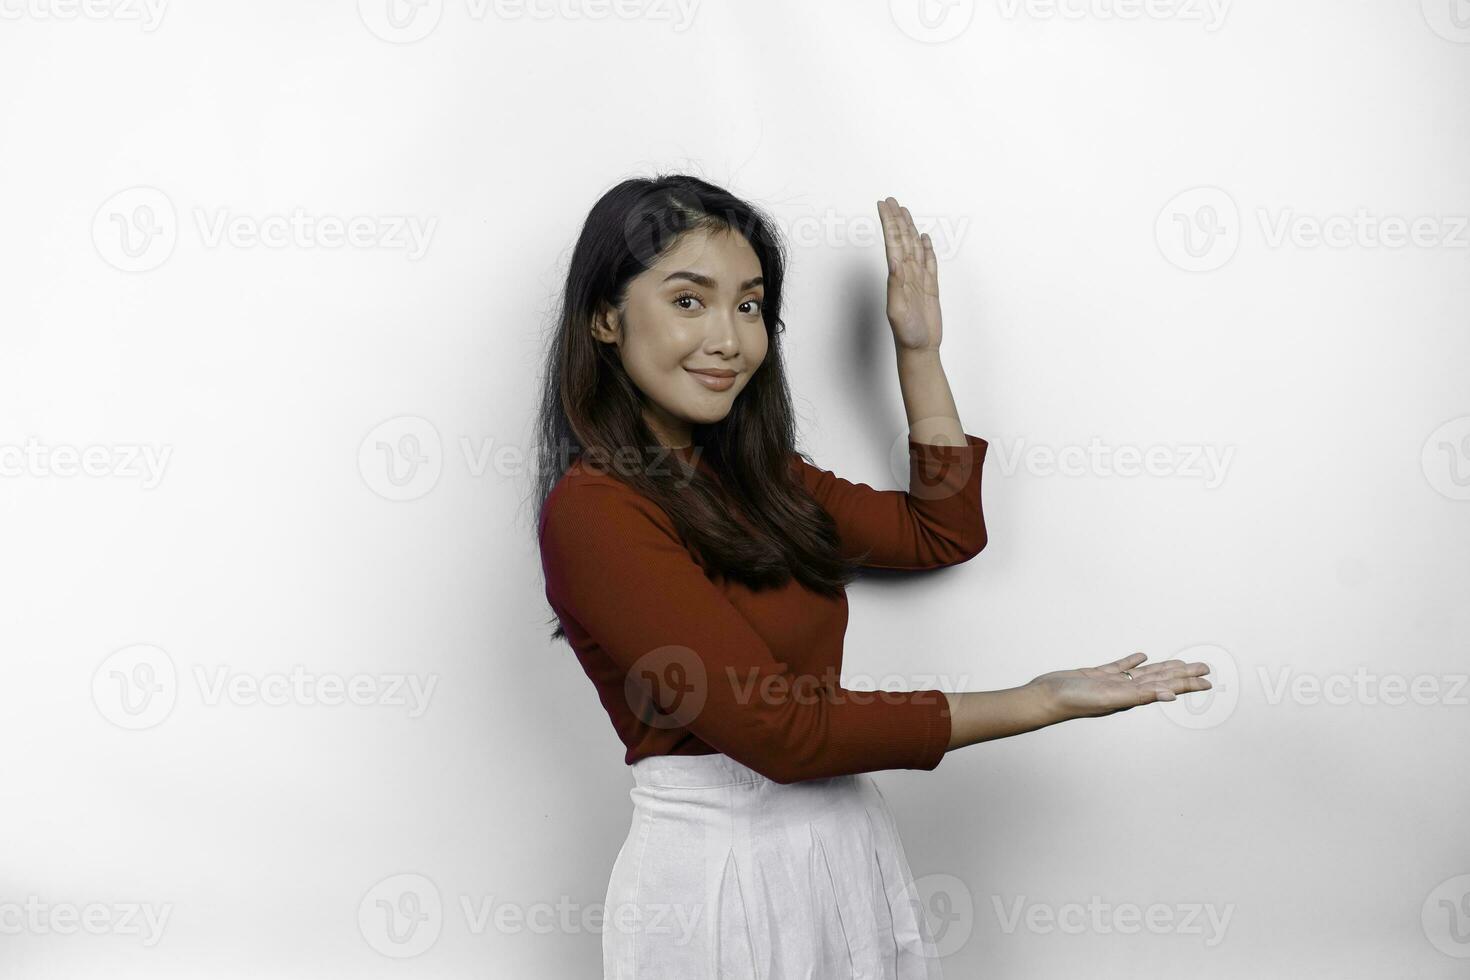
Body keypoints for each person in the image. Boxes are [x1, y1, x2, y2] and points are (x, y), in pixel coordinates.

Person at [532, 175, 1212, 978]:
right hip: (718, 875)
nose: (728, 339)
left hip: (843, 844)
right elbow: (780, 734)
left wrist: (918, 350)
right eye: (690, 301)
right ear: (606, 318)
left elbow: (943, 530)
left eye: (749, 306)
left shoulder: (765, 478)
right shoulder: (596, 511)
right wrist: (1041, 700)